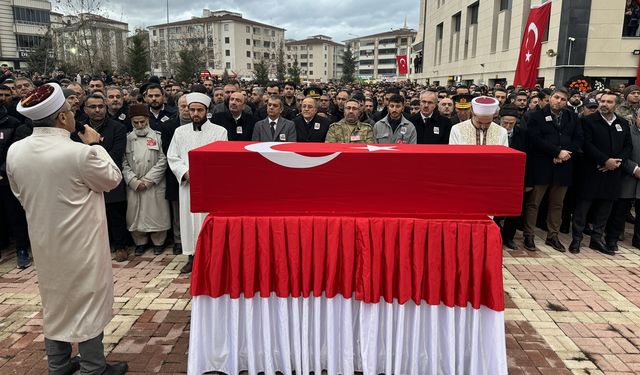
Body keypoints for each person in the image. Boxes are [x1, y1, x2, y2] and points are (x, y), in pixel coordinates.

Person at [7, 83, 127, 375]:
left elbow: (20, 193)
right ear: (62, 118)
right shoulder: (78, 153)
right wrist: (95, 145)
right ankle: (93, 367)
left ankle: (58, 365)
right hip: (82, 243)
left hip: (45, 241)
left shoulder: (15, 151)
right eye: (71, 112)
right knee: (88, 300)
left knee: (55, 300)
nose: (75, 116)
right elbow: (112, 179)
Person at [167, 92, 228, 273]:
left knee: (207, 220)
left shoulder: (220, 131)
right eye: (192, 109)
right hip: (187, 185)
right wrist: (185, 173)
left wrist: (204, 176)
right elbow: (172, 156)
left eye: (199, 110)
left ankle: (209, 257)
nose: (195, 113)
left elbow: (221, 158)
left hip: (209, 186)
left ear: (206, 111)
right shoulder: (180, 132)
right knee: (187, 220)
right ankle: (191, 257)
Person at [570, 93, 633, 255]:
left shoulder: (623, 123)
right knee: (583, 207)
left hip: (613, 173)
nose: (604, 104)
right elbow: (586, 144)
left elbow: (628, 147)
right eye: (602, 101)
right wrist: (605, 160)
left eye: (609, 102)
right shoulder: (588, 121)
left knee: (605, 208)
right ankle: (576, 238)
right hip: (592, 170)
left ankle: (597, 239)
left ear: (616, 105)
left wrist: (616, 162)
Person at [522, 88, 583, 252]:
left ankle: (552, 236)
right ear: (550, 98)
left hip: (564, 166)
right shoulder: (536, 116)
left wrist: (565, 154)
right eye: (556, 97)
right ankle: (529, 235)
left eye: (563, 99)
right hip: (542, 165)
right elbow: (535, 139)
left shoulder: (572, 117)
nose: (559, 101)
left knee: (557, 204)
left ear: (567, 101)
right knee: (534, 203)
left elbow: (578, 138)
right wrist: (556, 152)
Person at [80, 93, 129, 262]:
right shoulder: (79, 129)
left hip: (110, 174)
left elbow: (116, 154)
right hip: (86, 177)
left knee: (115, 214)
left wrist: (94, 151)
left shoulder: (118, 128)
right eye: (93, 107)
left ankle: (120, 246)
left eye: (101, 106)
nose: (97, 110)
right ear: (86, 109)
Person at [122, 104, 171, 256]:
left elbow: (163, 160)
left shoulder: (157, 136)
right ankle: (140, 242)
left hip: (153, 184)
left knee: (156, 213)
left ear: (147, 120)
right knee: (135, 214)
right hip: (135, 184)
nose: (140, 125)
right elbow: (123, 162)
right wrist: (133, 181)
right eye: (136, 122)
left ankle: (158, 242)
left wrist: (149, 180)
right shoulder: (128, 139)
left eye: (142, 122)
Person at [605, 110, 640, 251]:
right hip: (627, 177)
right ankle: (612, 239)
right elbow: (620, 153)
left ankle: (638, 240)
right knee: (619, 212)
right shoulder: (627, 131)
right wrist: (634, 169)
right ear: (636, 117)